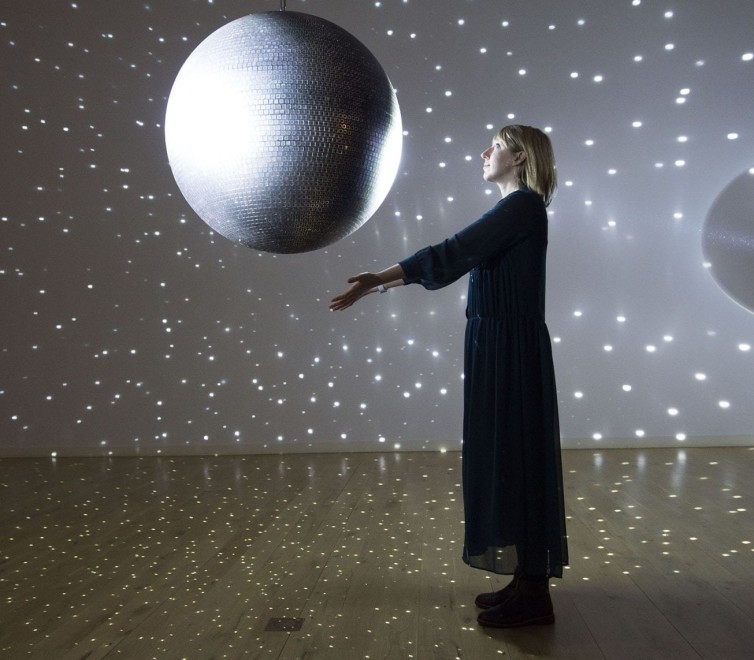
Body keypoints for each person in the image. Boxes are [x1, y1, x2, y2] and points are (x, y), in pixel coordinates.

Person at [330, 124, 568, 628]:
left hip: (509, 350)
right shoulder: (512, 209)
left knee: (516, 457)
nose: (484, 152)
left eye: (496, 147)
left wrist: (381, 275)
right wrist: (381, 286)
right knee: (505, 456)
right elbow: (458, 257)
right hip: (496, 346)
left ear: (521, 157)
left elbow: (453, 251)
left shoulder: (521, 207)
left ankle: (534, 594)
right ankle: (526, 582)